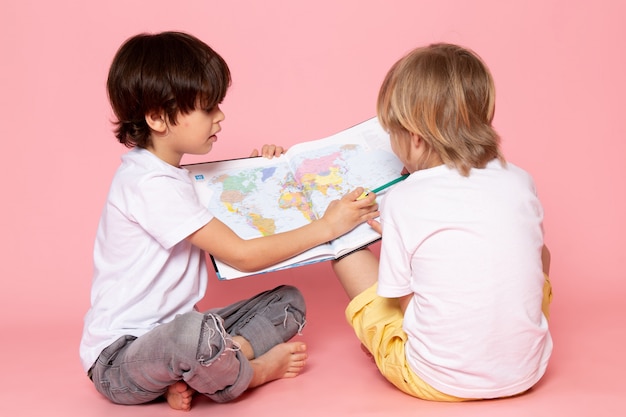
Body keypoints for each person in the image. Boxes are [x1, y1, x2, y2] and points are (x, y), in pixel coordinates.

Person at [80, 31, 379, 411]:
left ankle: (201, 371)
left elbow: (242, 223)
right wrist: (329, 227)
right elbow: (242, 254)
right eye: (207, 108)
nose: (220, 116)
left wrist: (262, 174)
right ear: (157, 118)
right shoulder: (148, 184)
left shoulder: (179, 178)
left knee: (288, 302)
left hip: (176, 340)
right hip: (119, 359)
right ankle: (249, 373)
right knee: (193, 333)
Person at [331, 43, 553, 401]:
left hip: (436, 380)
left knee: (344, 250)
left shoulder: (403, 200)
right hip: (527, 370)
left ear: (415, 139)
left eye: (392, 133)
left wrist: (397, 240)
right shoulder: (521, 180)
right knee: (539, 254)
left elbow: (402, 301)